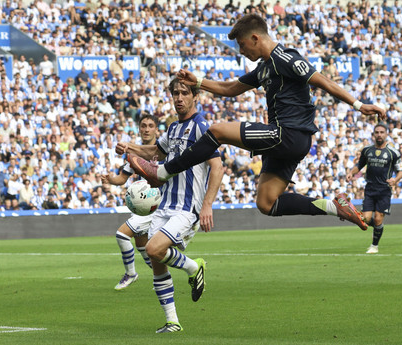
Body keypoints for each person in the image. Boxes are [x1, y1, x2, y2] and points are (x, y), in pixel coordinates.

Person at [122, 14, 386, 231]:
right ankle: (334, 207)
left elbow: (323, 81)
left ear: (255, 38)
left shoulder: (286, 58)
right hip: (287, 141)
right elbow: (231, 88)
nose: (241, 50)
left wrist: (359, 105)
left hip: (288, 134)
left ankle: (163, 172)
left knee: (216, 130)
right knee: (267, 203)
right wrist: (198, 82)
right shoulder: (264, 67)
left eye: (242, 45)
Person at [115, 78, 224, 333]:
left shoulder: (201, 127)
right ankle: (172, 321)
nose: (179, 98)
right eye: (175, 93)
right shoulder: (173, 128)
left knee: (153, 249)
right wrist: (130, 147)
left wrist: (207, 206)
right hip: (163, 206)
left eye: (184, 93)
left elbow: (217, 167)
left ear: (195, 96)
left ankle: (193, 266)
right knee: (156, 261)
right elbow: (156, 152)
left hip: (187, 208)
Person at [102, 114, 159, 290]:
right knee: (142, 245)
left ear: (156, 129)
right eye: (143, 126)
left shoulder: (163, 149)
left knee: (122, 235)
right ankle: (163, 275)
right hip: (145, 205)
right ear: (139, 128)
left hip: (159, 204)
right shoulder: (134, 153)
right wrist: (111, 180)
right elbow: (123, 178)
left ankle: (131, 273)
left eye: (150, 126)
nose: (146, 129)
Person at [346, 124, 402, 254]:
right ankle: (379, 227)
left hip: (384, 190)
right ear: (373, 134)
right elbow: (359, 165)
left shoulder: (393, 152)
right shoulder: (367, 150)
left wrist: (395, 180)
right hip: (370, 189)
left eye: (382, 132)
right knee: (365, 219)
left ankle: (374, 246)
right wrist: (351, 172)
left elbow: (401, 171)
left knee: (378, 218)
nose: (379, 134)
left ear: (386, 134)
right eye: (377, 132)